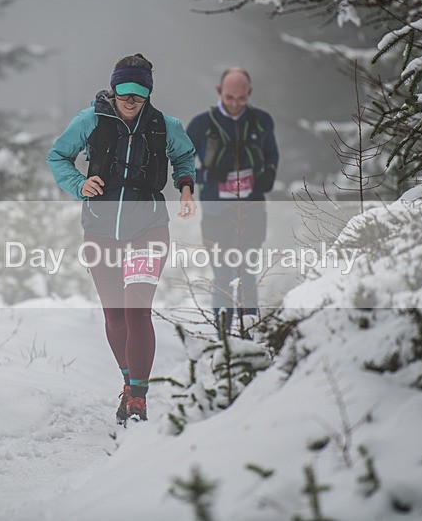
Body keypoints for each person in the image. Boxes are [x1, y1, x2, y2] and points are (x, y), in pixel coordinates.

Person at [46, 53, 197, 423]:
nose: (130, 99)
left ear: (148, 92)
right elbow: (57, 157)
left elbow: (185, 158)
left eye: (139, 91)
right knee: (115, 317)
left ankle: (139, 400)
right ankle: (128, 384)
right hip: (100, 231)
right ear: (113, 89)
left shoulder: (165, 125)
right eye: (123, 89)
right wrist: (80, 184)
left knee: (136, 310)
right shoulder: (90, 120)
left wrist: (187, 187)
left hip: (149, 229)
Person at [185, 67, 279, 338]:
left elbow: (272, 154)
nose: (235, 103)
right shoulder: (200, 125)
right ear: (219, 92)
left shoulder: (262, 121)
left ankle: (251, 338)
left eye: (241, 98)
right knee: (224, 274)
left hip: (252, 207)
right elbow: (182, 163)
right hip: (216, 209)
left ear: (249, 93)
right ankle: (224, 340)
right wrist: (205, 175)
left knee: (248, 273)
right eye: (229, 97)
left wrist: (268, 175)